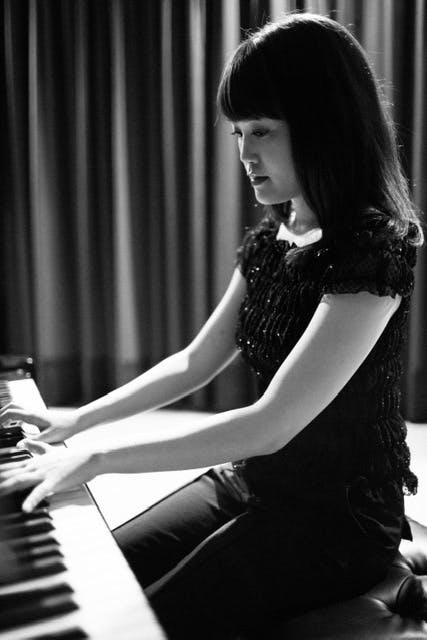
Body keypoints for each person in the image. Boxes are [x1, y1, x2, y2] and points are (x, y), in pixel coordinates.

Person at [0, 12, 424, 639]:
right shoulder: (273, 237)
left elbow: (269, 425)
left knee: (125, 623)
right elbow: (195, 362)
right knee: (100, 574)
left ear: (325, 124)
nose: (245, 154)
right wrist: (77, 420)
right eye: (238, 133)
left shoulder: (373, 250)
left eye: (263, 131)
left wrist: (99, 458)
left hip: (338, 520)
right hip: (254, 480)